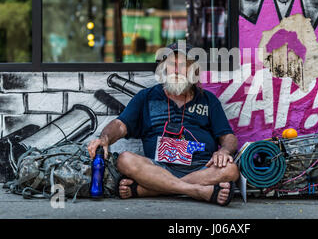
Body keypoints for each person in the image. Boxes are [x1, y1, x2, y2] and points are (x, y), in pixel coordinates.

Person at [87, 42, 240, 206]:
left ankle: (150, 190)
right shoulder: (146, 97)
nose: (176, 70)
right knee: (124, 160)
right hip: (157, 167)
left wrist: (224, 150)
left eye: (182, 65)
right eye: (171, 65)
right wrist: (104, 139)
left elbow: (228, 136)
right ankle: (197, 191)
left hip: (200, 168)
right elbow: (119, 125)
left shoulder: (208, 100)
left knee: (231, 170)